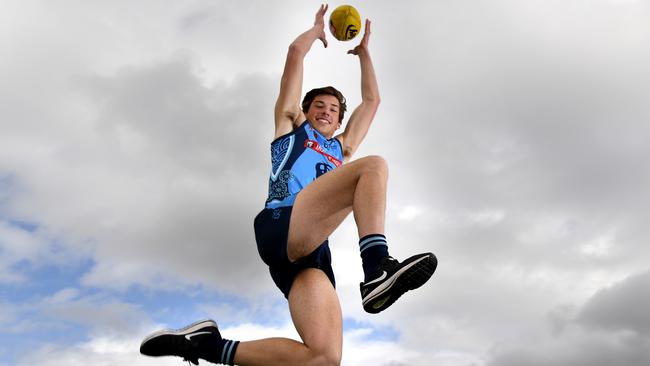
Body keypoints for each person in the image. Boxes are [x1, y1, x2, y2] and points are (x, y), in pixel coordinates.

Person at [140, 5, 436, 366]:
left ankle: (205, 345)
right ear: (305, 110)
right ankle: (376, 268)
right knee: (373, 167)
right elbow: (295, 55)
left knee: (323, 357)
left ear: (340, 120)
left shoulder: (341, 149)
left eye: (333, 109)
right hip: (283, 222)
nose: (326, 111)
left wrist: (365, 54)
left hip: (311, 252)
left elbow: (372, 101)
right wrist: (314, 32)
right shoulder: (290, 129)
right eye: (318, 106)